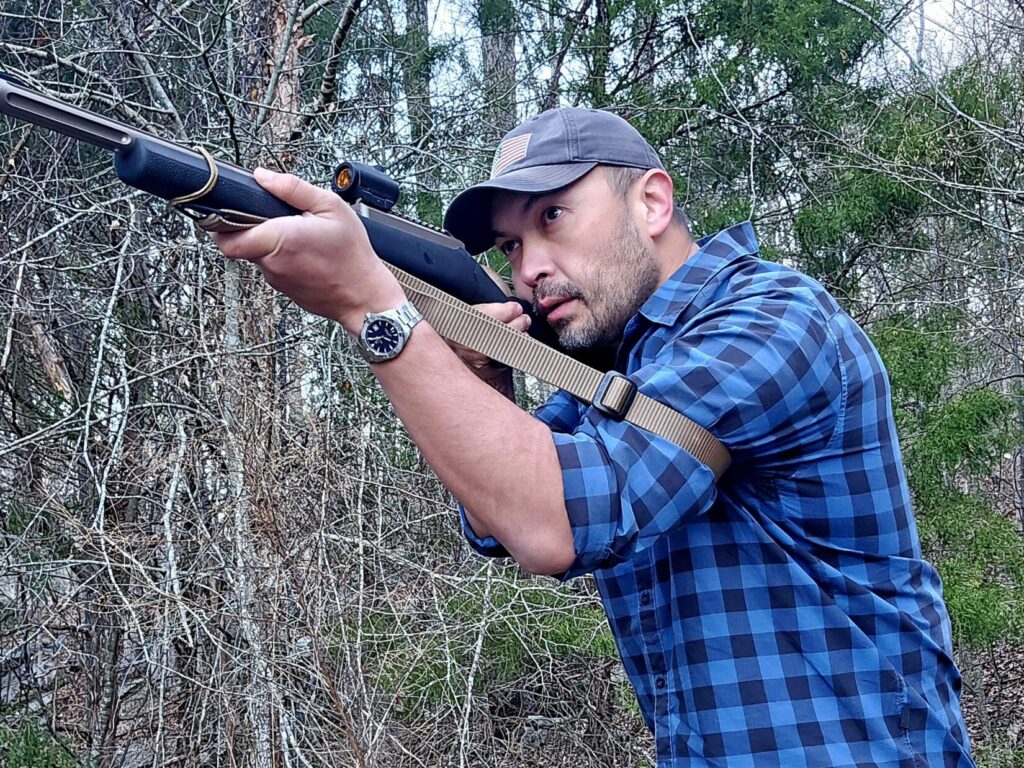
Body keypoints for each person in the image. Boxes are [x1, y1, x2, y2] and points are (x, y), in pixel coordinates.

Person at [213, 107, 975, 767]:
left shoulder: (774, 319)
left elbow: (554, 522)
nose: (530, 269)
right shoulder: (621, 366)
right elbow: (498, 519)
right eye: (509, 246)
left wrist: (373, 309)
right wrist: (484, 377)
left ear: (651, 201)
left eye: (552, 217)